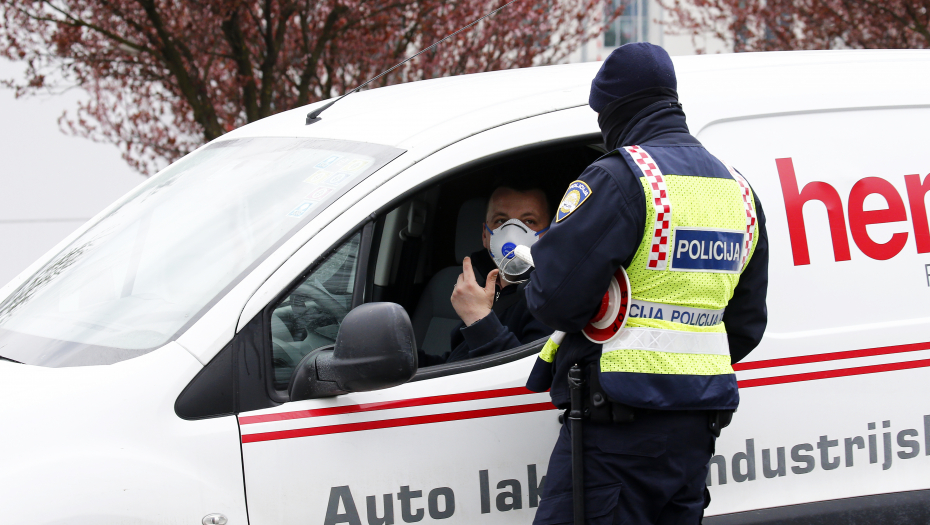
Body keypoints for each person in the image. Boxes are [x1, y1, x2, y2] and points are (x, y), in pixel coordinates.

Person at [524, 43, 769, 524]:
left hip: (616, 435)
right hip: (694, 438)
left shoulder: (621, 179)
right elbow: (744, 325)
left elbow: (553, 300)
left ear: (612, 111)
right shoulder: (738, 190)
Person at [419, 181, 554, 366]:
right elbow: (458, 365)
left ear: (549, 234)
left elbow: (526, 383)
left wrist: (478, 317)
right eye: (501, 221)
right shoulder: (481, 289)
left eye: (529, 221)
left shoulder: (554, 300)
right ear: (485, 235)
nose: (512, 233)